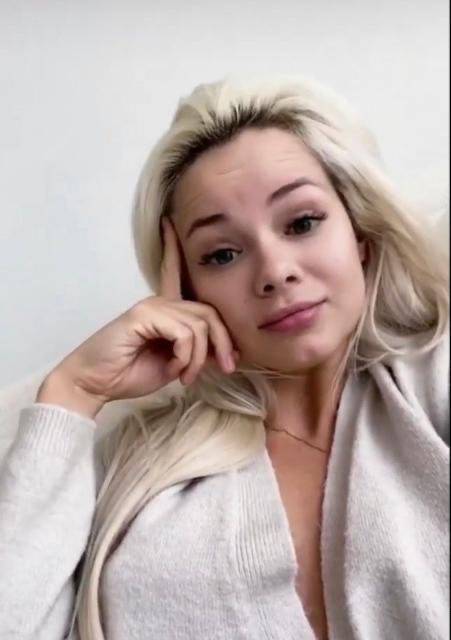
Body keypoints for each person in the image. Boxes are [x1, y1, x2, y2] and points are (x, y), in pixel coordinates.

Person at [0, 74, 448, 640]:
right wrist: (73, 391)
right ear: (187, 290)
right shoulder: (130, 468)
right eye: (222, 254)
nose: (274, 271)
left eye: (302, 223)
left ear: (359, 232)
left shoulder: (431, 385)